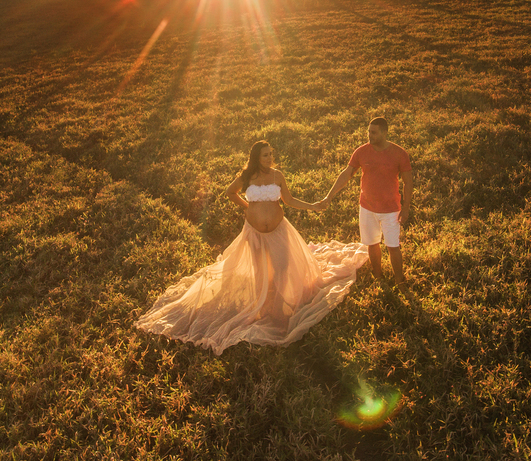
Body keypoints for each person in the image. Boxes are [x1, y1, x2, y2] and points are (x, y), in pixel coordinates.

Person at [136, 141, 369, 355]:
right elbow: (230, 192)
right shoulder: (246, 176)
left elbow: (288, 200)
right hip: (254, 232)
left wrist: (313, 206)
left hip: (278, 230)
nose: (270, 158)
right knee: (260, 270)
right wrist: (248, 207)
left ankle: (279, 310)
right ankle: (261, 307)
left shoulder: (278, 175)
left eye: (271, 154)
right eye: (265, 155)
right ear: (256, 157)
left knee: (282, 267)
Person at [321, 117, 412, 286]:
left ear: (385, 133)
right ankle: (378, 278)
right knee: (372, 243)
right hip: (367, 207)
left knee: (393, 246)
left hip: (391, 209)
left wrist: (405, 208)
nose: (370, 135)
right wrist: (329, 196)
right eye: (369, 131)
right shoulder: (361, 152)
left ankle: (400, 281)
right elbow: (346, 174)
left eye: (374, 132)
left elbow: (408, 182)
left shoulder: (399, 153)